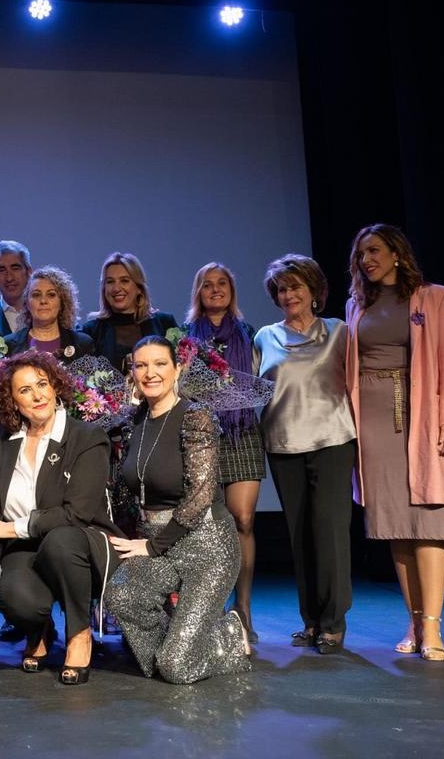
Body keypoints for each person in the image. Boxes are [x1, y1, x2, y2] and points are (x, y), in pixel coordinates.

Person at [346, 224, 444, 661]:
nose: (367, 260)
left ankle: (432, 626)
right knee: (396, 523)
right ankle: (413, 622)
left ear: (397, 253)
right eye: (361, 254)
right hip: (373, 420)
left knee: (430, 519)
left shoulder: (434, 297)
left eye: (375, 251)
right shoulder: (357, 304)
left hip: (423, 413)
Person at [103, 337, 252, 684]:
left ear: (177, 369)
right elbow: (126, 487)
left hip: (206, 546)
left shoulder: (195, 417)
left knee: (177, 669)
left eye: (160, 364)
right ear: (132, 372)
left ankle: (227, 633)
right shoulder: (134, 422)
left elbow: (200, 496)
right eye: (141, 365)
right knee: (122, 595)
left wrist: (153, 546)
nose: (150, 373)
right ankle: (176, 649)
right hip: (158, 543)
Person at [0, 351, 120, 685]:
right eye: (25, 390)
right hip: (23, 544)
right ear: (13, 401)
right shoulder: (0, 440)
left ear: (55, 386)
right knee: (19, 602)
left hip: (79, 543)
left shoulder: (87, 437)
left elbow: (75, 514)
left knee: (60, 541)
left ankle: (79, 633)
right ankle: (40, 628)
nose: (37, 395)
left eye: (42, 384)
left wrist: (7, 528)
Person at [255, 254, 356, 654]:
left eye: (295, 286)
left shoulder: (339, 331)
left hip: (332, 440)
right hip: (283, 443)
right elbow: (255, 390)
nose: (288, 295)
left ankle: (333, 622)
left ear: (314, 290)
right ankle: (311, 619)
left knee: (329, 530)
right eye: (281, 289)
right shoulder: (264, 337)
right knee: (299, 535)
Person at [182, 262, 265, 642]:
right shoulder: (186, 337)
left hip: (241, 432)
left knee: (243, 519)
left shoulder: (249, 333)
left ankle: (243, 608)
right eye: (207, 285)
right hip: (202, 435)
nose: (215, 290)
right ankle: (209, 609)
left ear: (231, 291)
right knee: (208, 526)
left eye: (222, 284)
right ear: (198, 293)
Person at [79, 252, 177, 372]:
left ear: (139, 288)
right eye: (110, 282)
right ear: (104, 289)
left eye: (124, 281)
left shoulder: (165, 324)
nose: (116, 288)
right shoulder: (91, 331)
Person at [3, 266, 94, 363]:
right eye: (36, 295)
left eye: (51, 295)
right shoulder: (8, 345)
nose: (43, 301)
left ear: (62, 302)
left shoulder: (83, 344)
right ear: (27, 303)